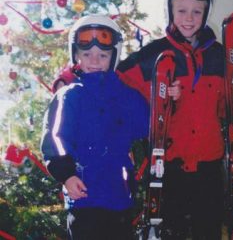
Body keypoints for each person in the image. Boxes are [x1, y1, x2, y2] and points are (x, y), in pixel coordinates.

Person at [116, 0, 233, 240]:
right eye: (181, 11)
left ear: (206, 12)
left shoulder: (220, 56)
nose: (189, 19)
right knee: (171, 232)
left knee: (208, 229)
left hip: (210, 164)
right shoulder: (152, 55)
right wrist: (157, 91)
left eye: (197, 11)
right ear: (169, 9)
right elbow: (116, 84)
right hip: (169, 167)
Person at [41, 14, 152, 240]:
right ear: (76, 56)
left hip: (119, 195)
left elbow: (146, 125)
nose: (94, 61)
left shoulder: (126, 95)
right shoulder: (69, 96)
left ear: (114, 57)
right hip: (84, 196)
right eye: (87, 54)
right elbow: (55, 138)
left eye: (102, 55)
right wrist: (67, 175)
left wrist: (165, 98)